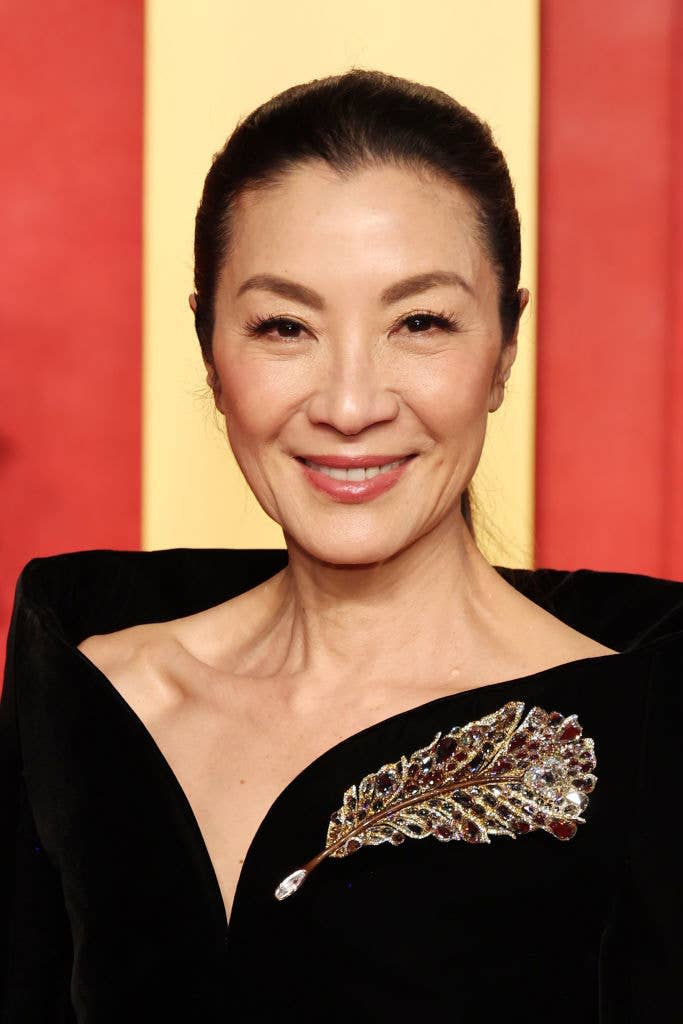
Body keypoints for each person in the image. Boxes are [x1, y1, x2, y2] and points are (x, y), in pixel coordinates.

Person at [1, 68, 681, 1023]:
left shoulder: (644, 734)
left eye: (420, 323)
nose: (350, 404)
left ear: (504, 348)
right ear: (209, 349)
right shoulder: (91, 699)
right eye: (284, 326)